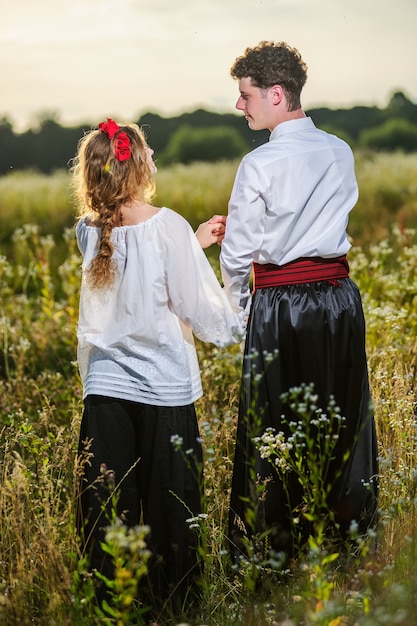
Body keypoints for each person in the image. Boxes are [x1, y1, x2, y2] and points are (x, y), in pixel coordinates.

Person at [71, 118, 244, 618]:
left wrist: (190, 243)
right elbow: (198, 310)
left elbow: (131, 274)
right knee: (171, 508)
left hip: (105, 389)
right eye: (148, 154)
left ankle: (112, 605)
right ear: (139, 163)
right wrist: (241, 308)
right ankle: (173, 608)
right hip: (163, 388)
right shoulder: (165, 225)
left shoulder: (89, 230)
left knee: (107, 509)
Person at [219, 41, 379, 561]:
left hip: (280, 305)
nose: (240, 106)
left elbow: (239, 252)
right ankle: (348, 540)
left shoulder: (258, 163)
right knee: (340, 413)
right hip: (338, 300)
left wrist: (237, 307)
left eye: (246, 96)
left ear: (277, 94)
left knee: (273, 423)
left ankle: (274, 550)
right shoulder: (341, 150)